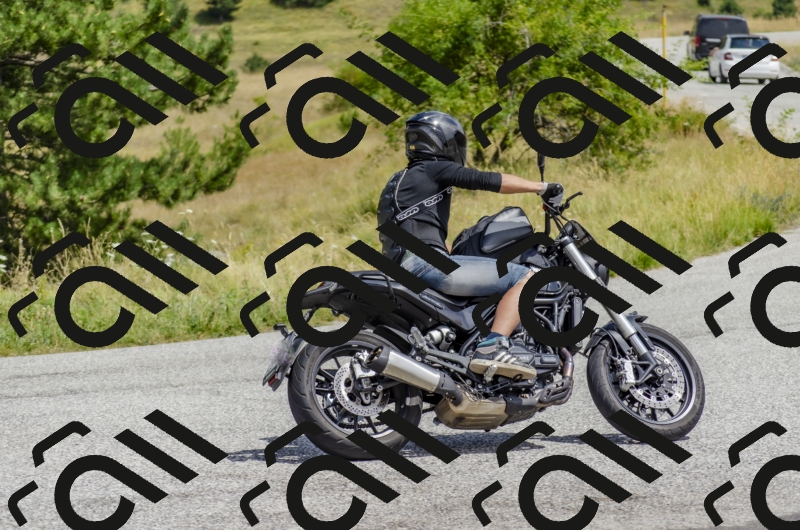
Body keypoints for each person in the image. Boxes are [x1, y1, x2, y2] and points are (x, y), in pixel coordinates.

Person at [377, 111, 564, 380]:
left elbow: (419, 232)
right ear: (443, 142)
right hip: (425, 264)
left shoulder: (400, 180)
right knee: (526, 277)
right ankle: (493, 346)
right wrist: (542, 187)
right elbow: (488, 180)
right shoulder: (433, 168)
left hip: (402, 266)